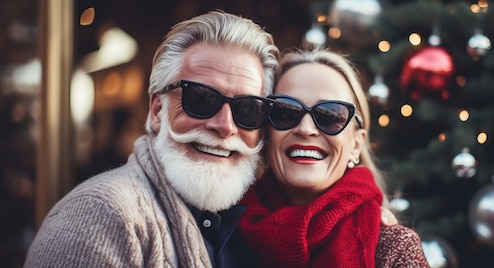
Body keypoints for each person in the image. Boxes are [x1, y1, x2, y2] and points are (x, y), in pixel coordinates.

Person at [24, 10, 278, 267]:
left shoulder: (254, 228)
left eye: (247, 108)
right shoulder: (98, 217)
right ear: (157, 110)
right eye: (201, 99)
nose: (225, 126)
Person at [237, 49, 430, 268]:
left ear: (356, 144)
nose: (306, 129)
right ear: (266, 133)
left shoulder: (392, 247)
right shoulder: (220, 230)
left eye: (330, 115)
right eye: (286, 111)